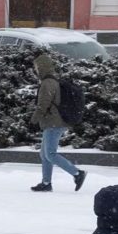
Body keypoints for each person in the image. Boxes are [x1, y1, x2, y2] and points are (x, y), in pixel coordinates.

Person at [31, 49, 86, 194]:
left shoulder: (48, 83)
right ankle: (46, 183)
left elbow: (43, 104)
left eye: (36, 67)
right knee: (45, 154)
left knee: (50, 154)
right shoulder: (52, 80)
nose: (35, 70)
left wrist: (34, 118)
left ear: (42, 67)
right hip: (54, 121)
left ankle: (77, 173)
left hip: (54, 122)